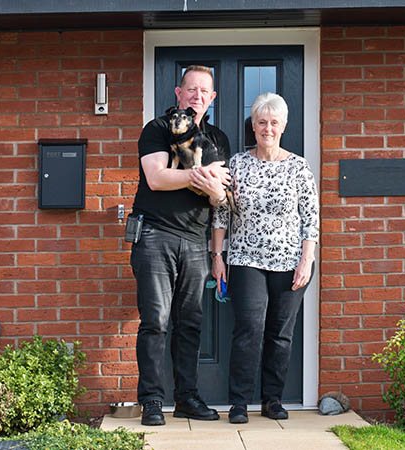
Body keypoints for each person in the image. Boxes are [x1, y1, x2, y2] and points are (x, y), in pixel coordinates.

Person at [207, 92, 319, 424]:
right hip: (245, 260)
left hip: (290, 263)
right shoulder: (238, 164)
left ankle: (272, 400)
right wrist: (218, 255)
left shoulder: (299, 167)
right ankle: (239, 402)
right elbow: (221, 213)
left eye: (273, 122)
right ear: (253, 126)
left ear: (283, 126)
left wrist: (307, 259)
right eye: (261, 122)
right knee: (248, 330)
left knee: (281, 333)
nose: (267, 128)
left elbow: (311, 218)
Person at [130, 65, 231, 426]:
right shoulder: (157, 129)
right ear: (178, 92)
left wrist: (211, 187)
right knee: (155, 322)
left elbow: (221, 196)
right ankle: (152, 401)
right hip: (155, 235)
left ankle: (187, 398)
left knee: (190, 323)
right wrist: (202, 177)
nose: (197, 97)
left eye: (204, 92)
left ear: (212, 98)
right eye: (191, 90)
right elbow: (157, 178)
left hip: (195, 241)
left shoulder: (218, 138)